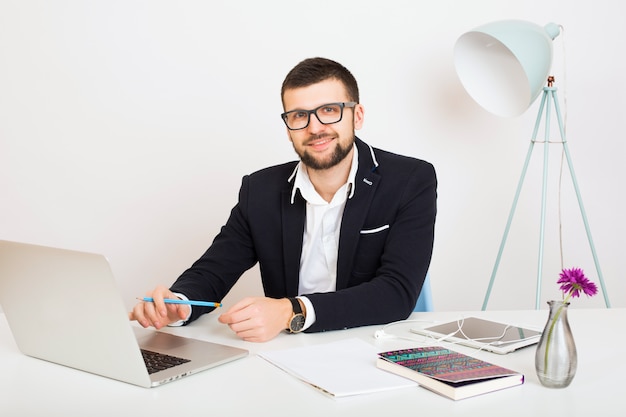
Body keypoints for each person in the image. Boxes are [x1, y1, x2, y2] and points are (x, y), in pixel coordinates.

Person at [129, 57, 437, 342]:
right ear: (288, 127)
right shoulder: (260, 190)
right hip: (289, 354)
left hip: (375, 347)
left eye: (329, 110)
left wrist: (291, 311)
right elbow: (213, 272)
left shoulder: (410, 180)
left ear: (357, 116)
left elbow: (396, 292)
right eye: (299, 115)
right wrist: (177, 304)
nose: (315, 128)